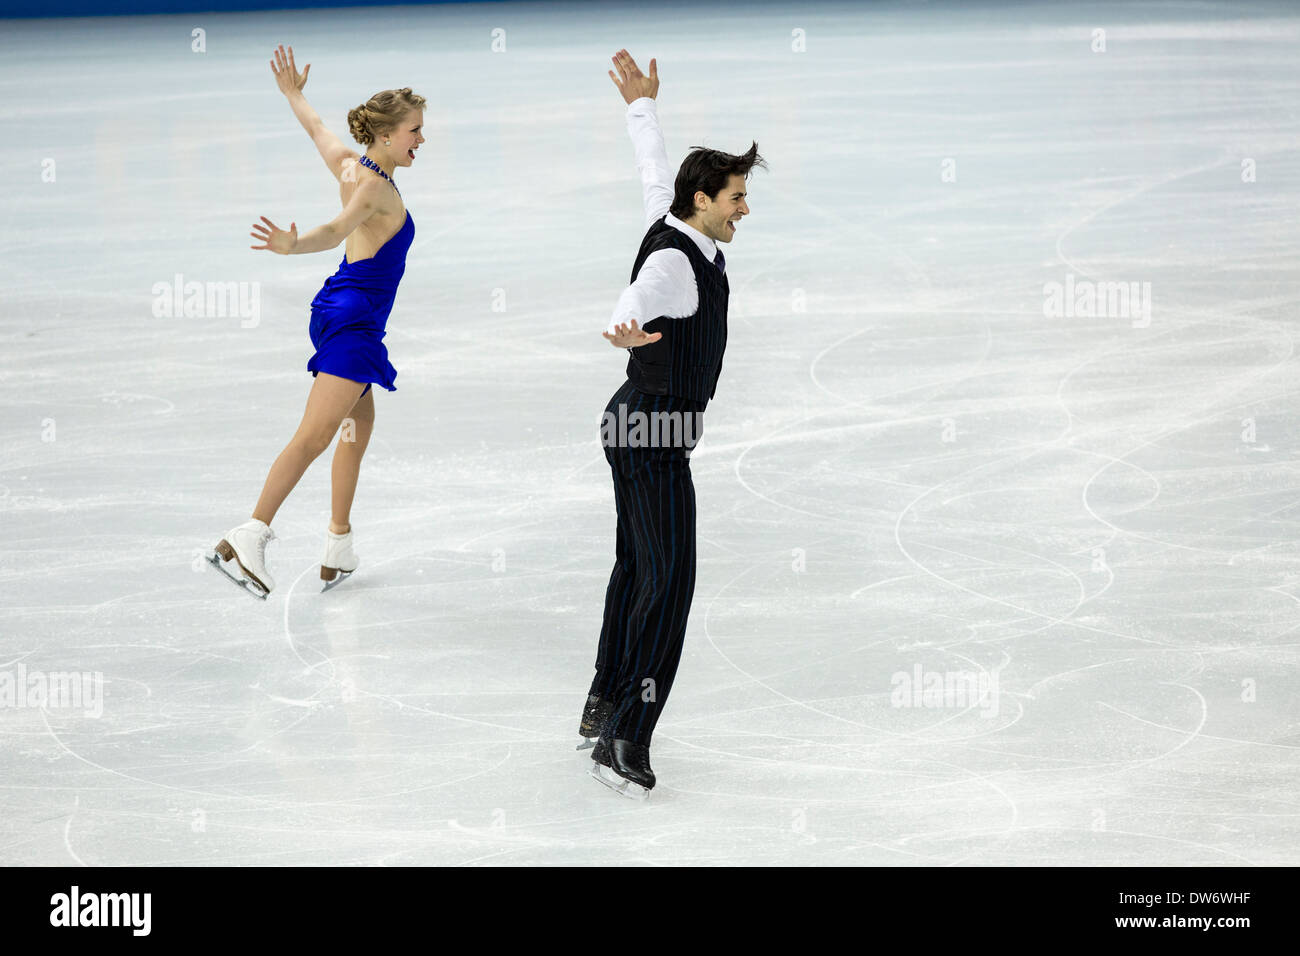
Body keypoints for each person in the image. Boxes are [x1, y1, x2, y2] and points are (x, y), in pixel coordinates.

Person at [583, 49, 766, 798]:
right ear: (703, 201)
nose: (743, 208)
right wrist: (625, 326)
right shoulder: (676, 265)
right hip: (653, 430)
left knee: (638, 568)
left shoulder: (677, 218)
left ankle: (604, 701)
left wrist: (642, 105)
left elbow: (652, 166)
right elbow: (638, 294)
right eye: (735, 197)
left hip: (630, 422)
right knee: (670, 581)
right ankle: (627, 733)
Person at [208, 45, 425, 599]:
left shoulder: (355, 166)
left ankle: (338, 541)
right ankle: (250, 531)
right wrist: (293, 244)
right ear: (385, 135)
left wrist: (293, 93)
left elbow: (319, 130)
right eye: (413, 131)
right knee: (316, 435)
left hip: (343, 310)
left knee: (358, 424)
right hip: (353, 322)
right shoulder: (374, 187)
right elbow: (334, 230)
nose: (420, 140)